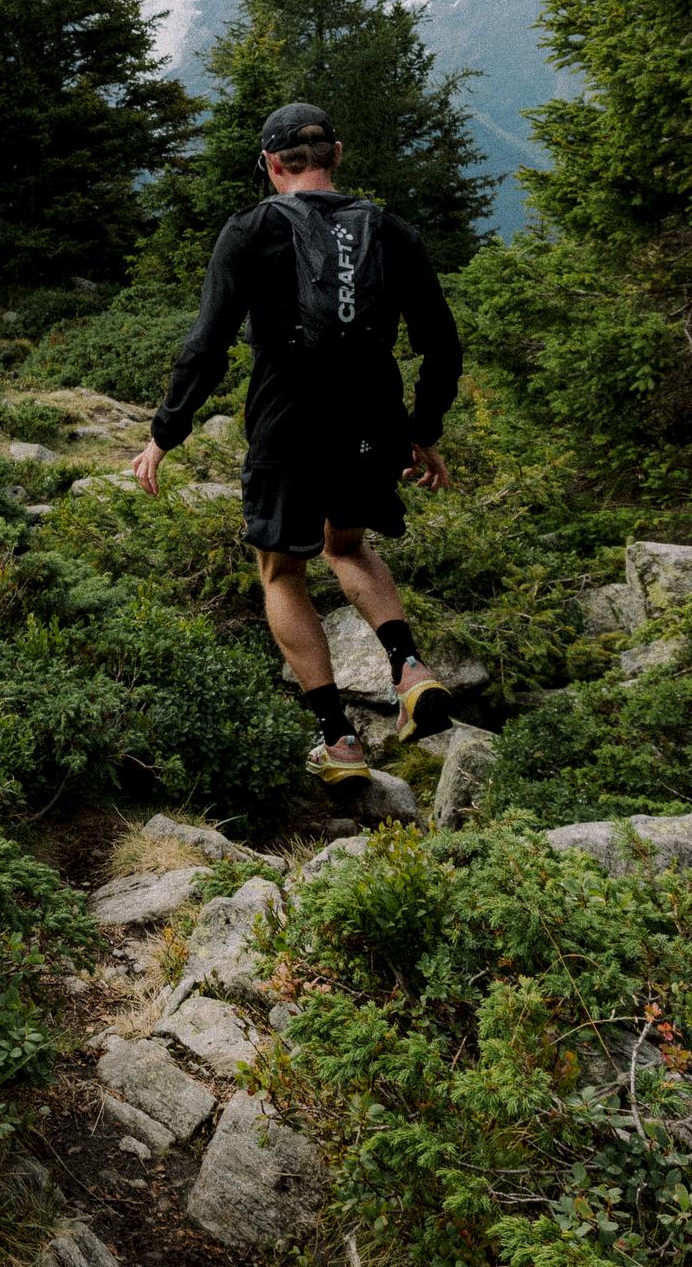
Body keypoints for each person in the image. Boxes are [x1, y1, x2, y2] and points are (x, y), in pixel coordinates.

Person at [126, 101, 461, 779]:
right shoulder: (390, 231)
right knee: (349, 545)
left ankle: (338, 741)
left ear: (273, 166)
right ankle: (409, 667)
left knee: (282, 569)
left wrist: (167, 433)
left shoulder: (252, 229)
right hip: (373, 419)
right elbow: (442, 345)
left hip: (288, 417)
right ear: (336, 156)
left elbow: (208, 344)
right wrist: (421, 433)